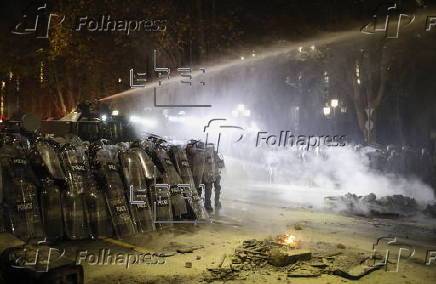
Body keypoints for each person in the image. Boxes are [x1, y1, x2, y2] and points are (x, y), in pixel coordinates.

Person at [202, 144, 224, 212]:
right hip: (210, 175)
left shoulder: (214, 154)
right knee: (210, 190)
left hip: (213, 174)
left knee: (211, 189)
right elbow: (222, 165)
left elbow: (221, 165)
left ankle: (212, 204)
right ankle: (209, 205)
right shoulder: (206, 154)